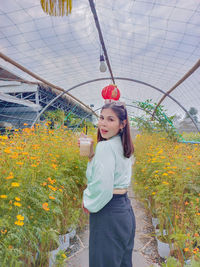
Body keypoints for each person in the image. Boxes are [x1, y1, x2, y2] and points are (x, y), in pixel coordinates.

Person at [79, 101, 136, 267]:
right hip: (125, 211)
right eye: (101, 117)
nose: (103, 123)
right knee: (123, 262)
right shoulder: (124, 146)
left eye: (111, 119)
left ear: (122, 124)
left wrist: (88, 201)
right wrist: (91, 155)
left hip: (108, 213)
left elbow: (102, 186)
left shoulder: (105, 147)